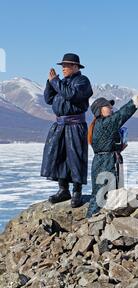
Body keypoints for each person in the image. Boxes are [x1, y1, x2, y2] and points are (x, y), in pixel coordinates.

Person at [41, 53, 93, 208]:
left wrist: (56, 82)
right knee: (58, 156)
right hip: (60, 125)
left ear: (75, 67)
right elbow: (48, 99)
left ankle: (77, 191)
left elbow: (71, 95)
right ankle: (63, 190)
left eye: (67, 65)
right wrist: (50, 83)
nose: (63, 68)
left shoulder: (82, 81)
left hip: (75, 125)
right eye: (62, 66)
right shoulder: (61, 82)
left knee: (75, 157)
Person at [86, 94, 138, 217]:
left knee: (106, 193)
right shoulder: (105, 123)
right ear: (99, 110)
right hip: (106, 163)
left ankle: (104, 221)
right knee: (102, 194)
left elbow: (104, 145)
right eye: (107, 106)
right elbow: (121, 115)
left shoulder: (99, 125)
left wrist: (118, 149)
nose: (111, 108)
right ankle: (91, 220)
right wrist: (137, 101)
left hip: (105, 160)